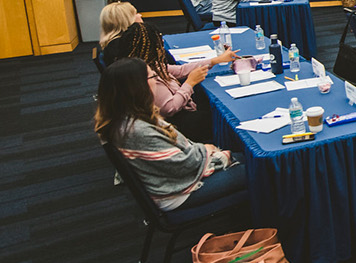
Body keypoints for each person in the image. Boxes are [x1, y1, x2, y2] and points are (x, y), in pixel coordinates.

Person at [95, 58, 248, 212]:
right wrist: (206, 150)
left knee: (242, 157)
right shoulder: (138, 130)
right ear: (137, 87)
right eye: (153, 77)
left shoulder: (122, 116)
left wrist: (203, 150)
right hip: (176, 193)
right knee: (258, 171)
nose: (156, 81)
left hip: (167, 180)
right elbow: (186, 165)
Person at [102, 21, 235, 139]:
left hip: (182, 112)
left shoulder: (148, 64)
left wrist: (215, 60)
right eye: (159, 44)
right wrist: (190, 83)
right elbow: (170, 108)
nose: (162, 47)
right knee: (224, 120)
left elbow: (181, 70)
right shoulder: (145, 76)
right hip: (177, 122)